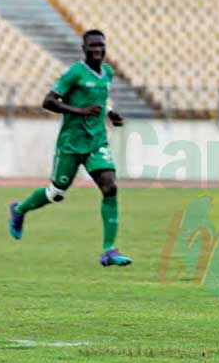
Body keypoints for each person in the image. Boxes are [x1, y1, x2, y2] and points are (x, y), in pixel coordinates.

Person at [7, 30, 130, 267]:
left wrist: (110, 113)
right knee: (56, 193)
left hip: (96, 141)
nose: (97, 50)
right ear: (83, 49)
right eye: (92, 46)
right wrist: (80, 112)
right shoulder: (74, 73)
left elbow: (100, 100)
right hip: (71, 144)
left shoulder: (107, 73)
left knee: (110, 187)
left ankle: (109, 251)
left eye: (101, 46)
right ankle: (20, 209)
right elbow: (48, 101)